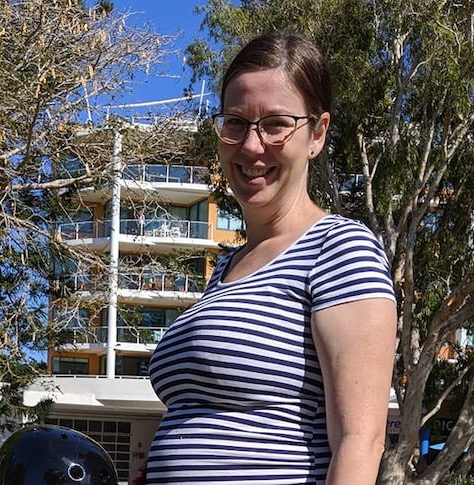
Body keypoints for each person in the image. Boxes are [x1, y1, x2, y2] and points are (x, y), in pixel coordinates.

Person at [130, 30, 397, 485]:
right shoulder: (227, 270)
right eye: (235, 121)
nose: (252, 146)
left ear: (317, 134)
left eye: (275, 123)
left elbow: (361, 440)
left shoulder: (339, 249)